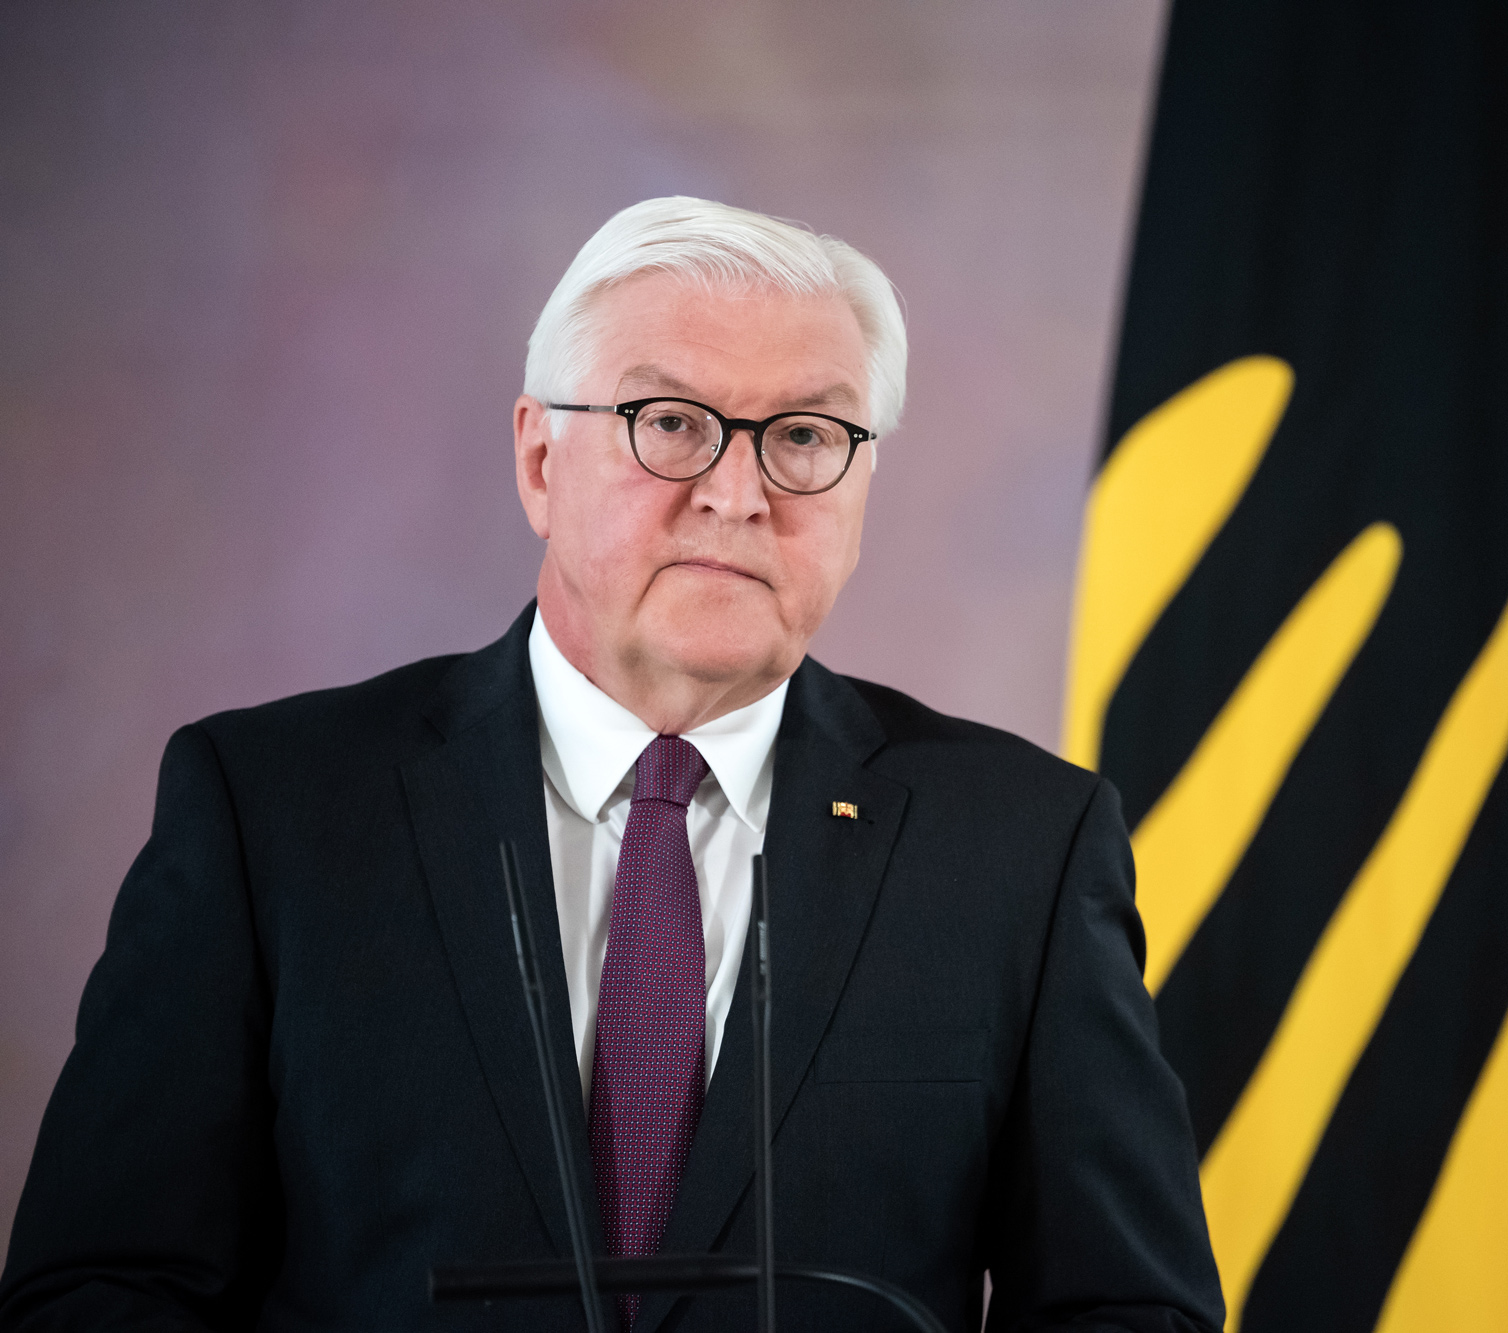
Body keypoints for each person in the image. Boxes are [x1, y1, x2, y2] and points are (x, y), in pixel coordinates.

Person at [0, 198, 1224, 1333]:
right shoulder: (274, 811)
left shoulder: (1017, 844)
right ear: (541, 460)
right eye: (673, 424)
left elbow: (1129, 1308)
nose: (738, 494)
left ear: (860, 485)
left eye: (804, 435)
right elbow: (104, 1285)